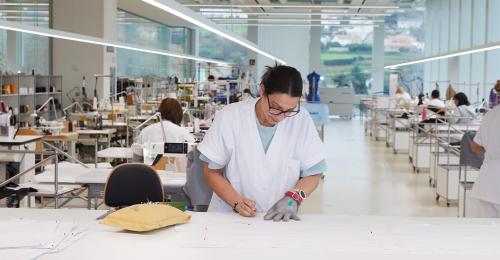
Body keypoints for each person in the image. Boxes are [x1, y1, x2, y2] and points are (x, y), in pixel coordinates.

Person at [198, 65, 327, 222]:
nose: (280, 117)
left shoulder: (301, 119)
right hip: (230, 217)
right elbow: (211, 172)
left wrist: (294, 198)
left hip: (279, 218)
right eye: (275, 108)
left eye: (289, 110)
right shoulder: (230, 117)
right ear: (262, 91)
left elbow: (313, 173)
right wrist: (236, 201)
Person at [470, 101, 500, 217]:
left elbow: (475, 146)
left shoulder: (491, 114)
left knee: (486, 233)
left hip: (487, 183)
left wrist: (492, 149)